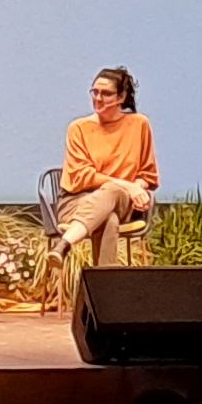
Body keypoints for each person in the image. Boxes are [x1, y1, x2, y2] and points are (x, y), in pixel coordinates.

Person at [55, 66, 159, 267]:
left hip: (122, 202)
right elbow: (81, 176)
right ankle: (101, 294)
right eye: (95, 92)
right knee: (108, 219)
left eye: (106, 93)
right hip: (77, 202)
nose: (98, 98)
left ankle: (65, 243)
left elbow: (148, 173)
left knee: (111, 191)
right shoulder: (78, 128)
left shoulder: (139, 124)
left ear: (121, 97)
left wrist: (136, 188)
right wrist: (129, 185)